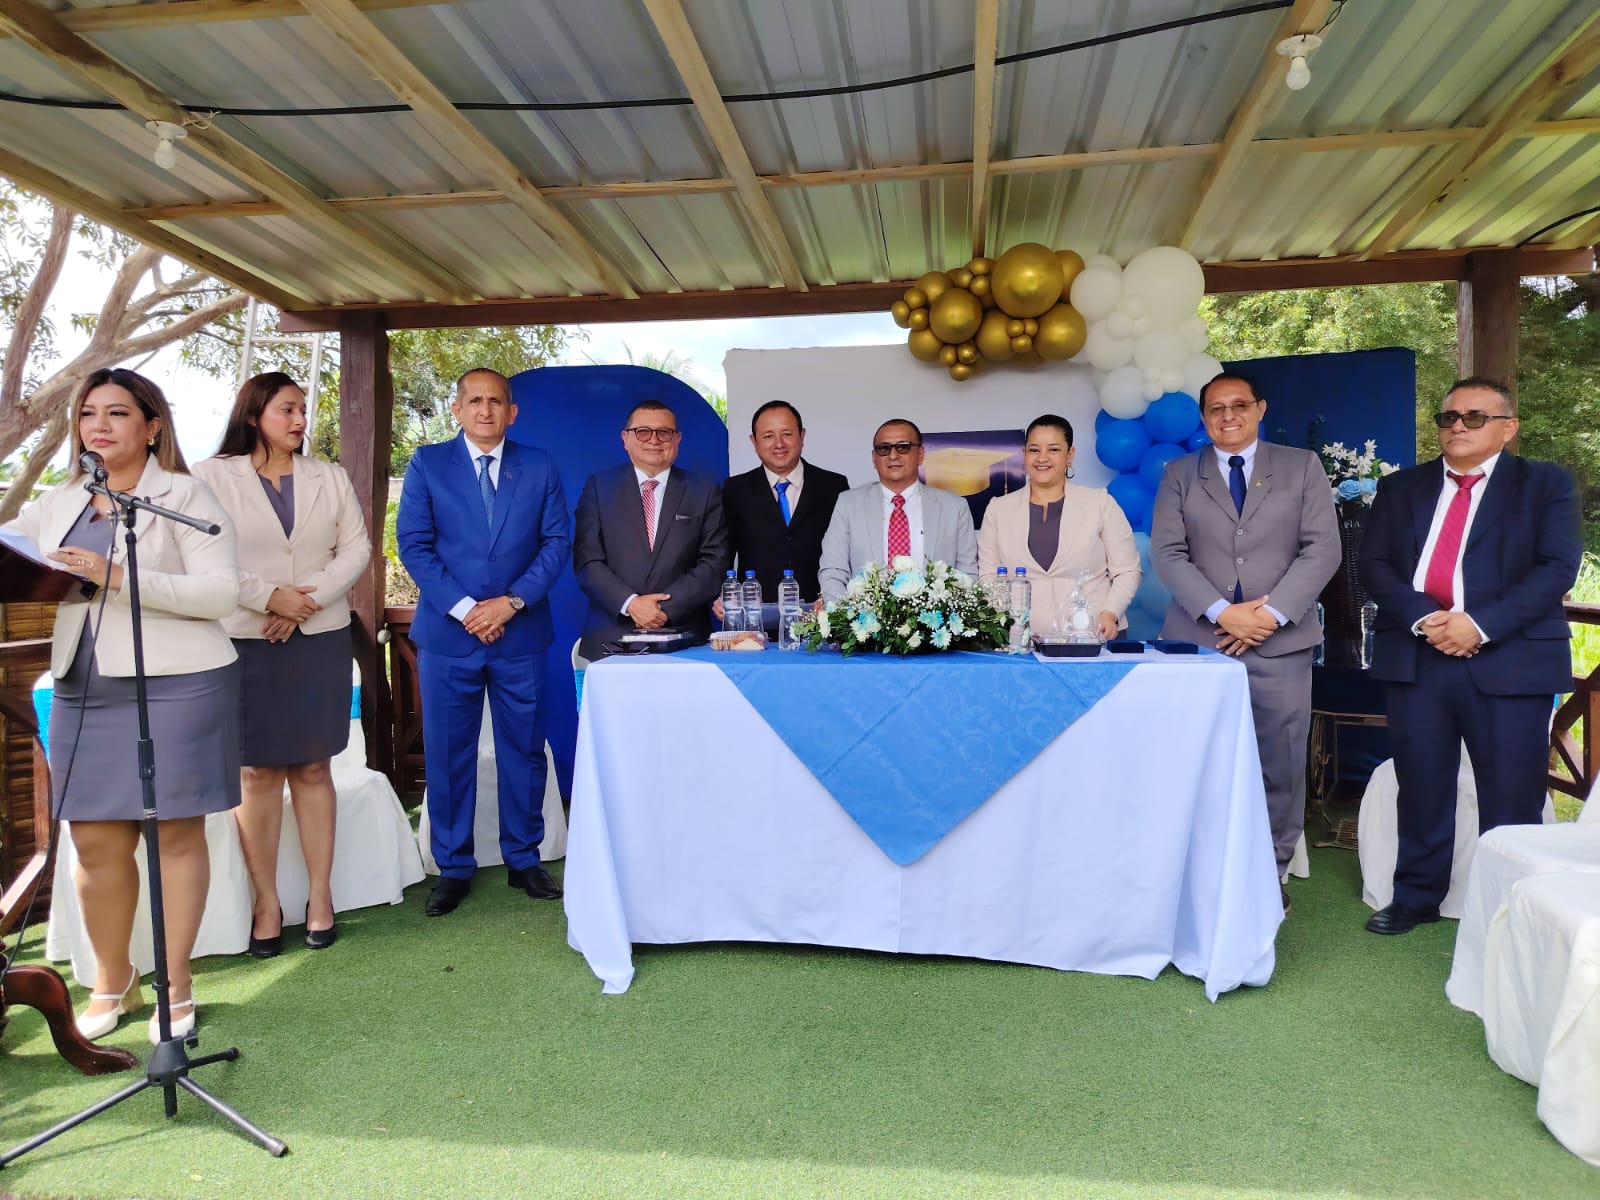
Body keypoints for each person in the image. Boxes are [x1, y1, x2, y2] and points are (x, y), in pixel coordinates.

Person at [3, 368, 239, 1042]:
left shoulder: (186, 495)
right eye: (87, 414)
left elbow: (220, 593)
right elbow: (14, 548)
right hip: (85, 685)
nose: (98, 426)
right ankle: (113, 981)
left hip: (182, 682)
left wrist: (117, 576)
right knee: (94, 838)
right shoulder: (58, 500)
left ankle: (177, 984)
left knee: (174, 835)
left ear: (152, 426)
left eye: (116, 413)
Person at [1359, 377, 1582, 935]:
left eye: (1475, 417)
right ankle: (1416, 897)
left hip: (1509, 659)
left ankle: (1509, 907)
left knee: (1511, 792)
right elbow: (1374, 565)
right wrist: (1426, 619)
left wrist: (1478, 627)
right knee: (1421, 782)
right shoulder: (1401, 488)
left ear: (1508, 428)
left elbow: (1556, 568)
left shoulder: (1545, 485)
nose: (1457, 426)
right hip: (1418, 652)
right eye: (1449, 417)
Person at [192, 372, 370, 955]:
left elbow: (357, 549)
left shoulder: (330, 476)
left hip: (318, 636)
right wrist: (270, 598)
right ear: (254, 414)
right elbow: (204, 556)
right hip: (248, 637)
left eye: (302, 410)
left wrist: (303, 603)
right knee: (258, 773)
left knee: (314, 767)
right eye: (287, 410)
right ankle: (266, 902)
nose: (300, 420)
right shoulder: (209, 477)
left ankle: (320, 897)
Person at [1151, 373, 1339, 909]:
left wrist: (1270, 615)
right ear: (1203, 418)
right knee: (1195, 761)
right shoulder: (1179, 474)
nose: (1227, 416)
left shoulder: (1302, 467)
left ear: (1260, 408)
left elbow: (1322, 549)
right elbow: (1168, 553)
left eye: (1238, 405)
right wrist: (1223, 613)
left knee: (1280, 762)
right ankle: (1198, 871)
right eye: (1216, 408)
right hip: (1199, 643)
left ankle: (1270, 873)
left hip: (1280, 644)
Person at [397, 368, 571, 918]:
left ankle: (524, 858)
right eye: (474, 400)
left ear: (512, 412)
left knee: (524, 750)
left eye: (496, 401)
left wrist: (511, 603)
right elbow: (414, 545)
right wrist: (468, 610)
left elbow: (556, 542)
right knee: (449, 752)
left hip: (521, 633)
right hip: (450, 636)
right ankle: (453, 866)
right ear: (457, 409)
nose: (485, 410)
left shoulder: (539, 465)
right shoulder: (428, 464)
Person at [573, 400, 729, 659]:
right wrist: (631, 604)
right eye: (642, 432)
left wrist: (664, 608)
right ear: (625, 439)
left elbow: (714, 563)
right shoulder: (600, 487)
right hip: (612, 638)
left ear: (677, 439)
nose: (654, 440)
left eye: (664, 432)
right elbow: (587, 561)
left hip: (684, 637)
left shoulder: (704, 491)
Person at [978, 414, 1140, 638]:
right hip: (1020, 640)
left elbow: (1127, 570)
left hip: (1093, 635)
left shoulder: (1100, 503)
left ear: (1069, 455)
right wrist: (1001, 625)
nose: (1042, 458)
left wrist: (1110, 613)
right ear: (1024, 455)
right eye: (1034, 450)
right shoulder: (998, 509)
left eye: (1053, 449)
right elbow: (988, 576)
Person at [818, 418, 978, 600]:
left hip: (936, 616)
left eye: (903, 447)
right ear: (874, 458)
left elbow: (967, 575)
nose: (893, 455)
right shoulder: (848, 504)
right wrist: (844, 612)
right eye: (884, 448)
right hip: (864, 616)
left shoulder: (954, 508)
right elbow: (833, 571)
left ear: (921, 454)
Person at [721, 400, 848, 602]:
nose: (779, 444)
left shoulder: (834, 486)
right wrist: (722, 593)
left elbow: (846, 552)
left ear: (802, 436)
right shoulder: (736, 489)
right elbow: (723, 552)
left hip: (821, 610)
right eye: (768, 436)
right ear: (754, 442)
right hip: (756, 611)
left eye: (787, 434)